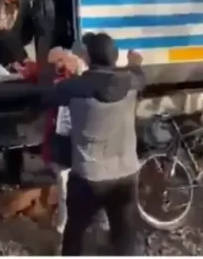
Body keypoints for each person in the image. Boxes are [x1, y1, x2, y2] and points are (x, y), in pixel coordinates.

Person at [41, 33, 145, 255]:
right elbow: (138, 68)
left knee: (76, 235)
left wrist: (58, 66)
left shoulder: (74, 87)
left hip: (89, 177)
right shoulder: (132, 80)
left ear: (87, 58)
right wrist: (134, 60)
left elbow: (47, 98)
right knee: (124, 235)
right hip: (126, 175)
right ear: (114, 57)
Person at [38, 44, 109, 238]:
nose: (58, 66)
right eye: (54, 64)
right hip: (65, 144)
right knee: (65, 188)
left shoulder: (84, 80)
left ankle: (100, 221)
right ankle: (64, 228)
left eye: (61, 61)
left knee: (92, 183)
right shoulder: (59, 83)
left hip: (82, 143)